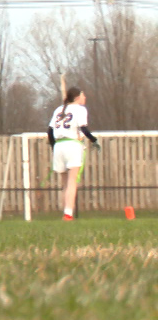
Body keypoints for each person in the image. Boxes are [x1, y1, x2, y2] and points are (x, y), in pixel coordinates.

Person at [50, 87, 102, 220]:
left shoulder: (58, 109)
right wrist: (94, 140)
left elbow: (49, 132)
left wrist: (53, 147)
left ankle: (66, 212)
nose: (85, 98)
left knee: (65, 184)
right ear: (78, 97)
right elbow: (83, 128)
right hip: (72, 145)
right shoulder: (80, 109)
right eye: (83, 95)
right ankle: (68, 214)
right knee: (72, 182)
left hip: (58, 146)